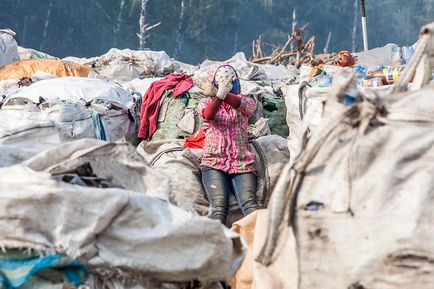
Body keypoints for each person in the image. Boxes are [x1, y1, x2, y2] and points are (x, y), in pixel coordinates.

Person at [195, 64, 259, 225]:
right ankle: (218, 245)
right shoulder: (205, 103)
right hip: (213, 162)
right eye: (222, 83)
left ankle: (261, 242)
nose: (229, 86)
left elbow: (246, 108)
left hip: (242, 162)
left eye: (231, 82)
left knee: (250, 204)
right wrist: (218, 96)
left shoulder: (245, 101)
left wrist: (221, 93)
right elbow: (208, 115)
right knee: (218, 208)